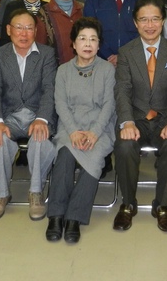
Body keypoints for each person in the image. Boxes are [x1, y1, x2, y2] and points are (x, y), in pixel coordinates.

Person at [113, 0, 167, 233]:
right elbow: (122, 89)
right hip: (135, 118)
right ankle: (128, 203)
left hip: (165, 118)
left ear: (163, 21)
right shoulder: (126, 52)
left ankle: (162, 206)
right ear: (135, 23)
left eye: (155, 19)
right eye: (143, 19)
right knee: (124, 147)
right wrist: (126, 122)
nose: (150, 24)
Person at [46, 18, 116, 244]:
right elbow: (61, 105)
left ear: (99, 44)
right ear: (73, 44)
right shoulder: (63, 71)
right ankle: (56, 215)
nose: (88, 44)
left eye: (93, 39)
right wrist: (74, 131)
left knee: (94, 156)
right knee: (65, 154)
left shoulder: (107, 70)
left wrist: (94, 133)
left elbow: (109, 106)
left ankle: (74, 217)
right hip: (70, 127)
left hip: (100, 128)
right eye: (82, 39)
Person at [0, 9, 57, 221]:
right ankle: (1, 193)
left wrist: (42, 118)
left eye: (29, 28)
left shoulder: (46, 54)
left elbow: (49, 89)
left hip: (37, 113)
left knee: (41, 140)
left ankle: (36, 192)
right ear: (9, 30)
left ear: (36, 31)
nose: (24, 33)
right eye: (19, 27)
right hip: (10, 115)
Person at [35, 0, 84, 64]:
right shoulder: (43, 14)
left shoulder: (85, 9)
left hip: (85, 71)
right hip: (55, 73)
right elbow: (40, 49)